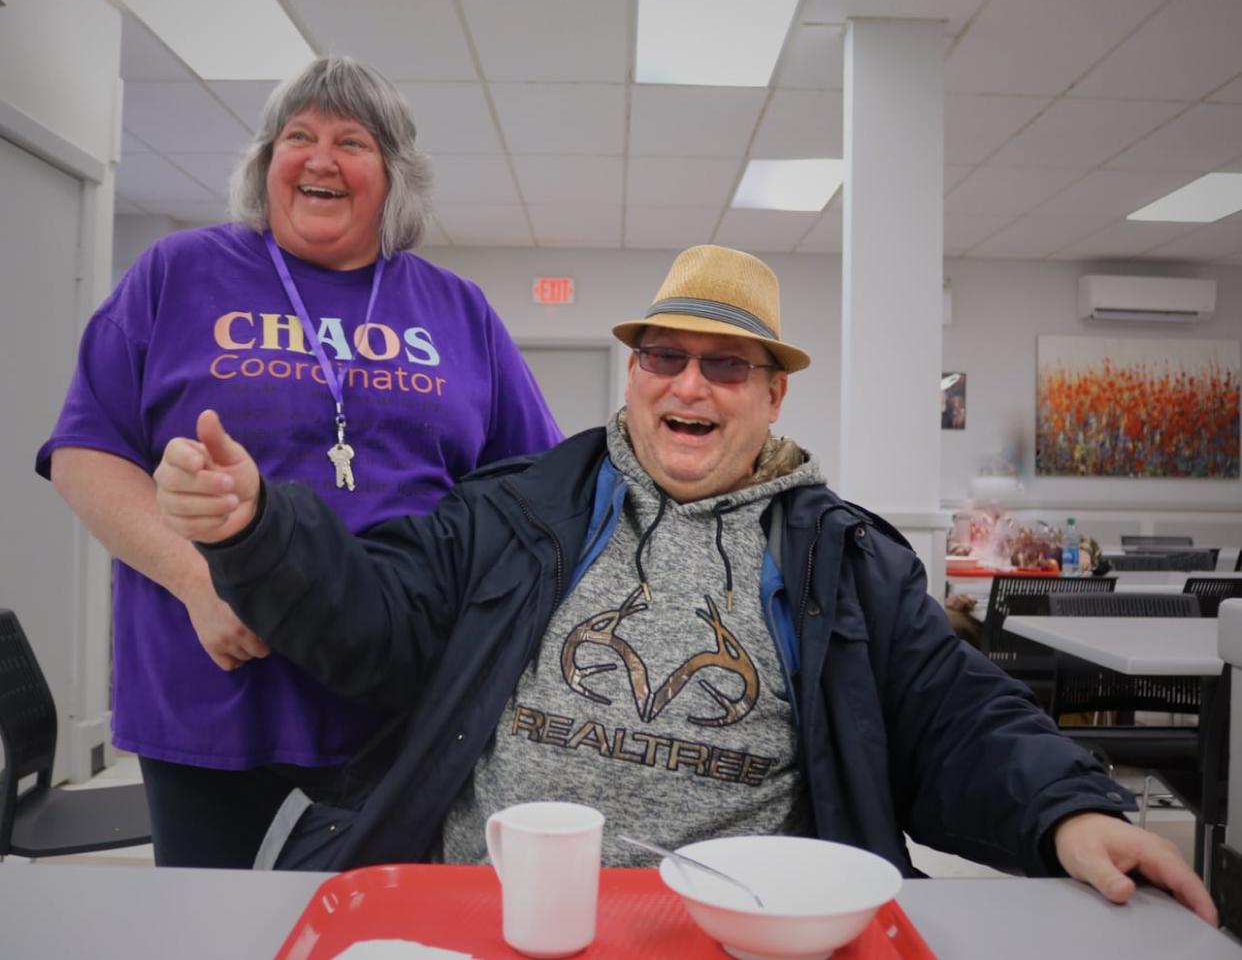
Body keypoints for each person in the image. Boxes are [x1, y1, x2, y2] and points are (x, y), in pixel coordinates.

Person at [155, 245, 1215, 923]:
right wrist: (260, 525)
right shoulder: (517, 508)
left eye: (726, 364)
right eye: (665, 356)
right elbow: (375, 617)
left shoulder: (843, 559)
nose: (689, 384)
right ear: (634, 375)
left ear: (773, 392)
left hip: (739, 926)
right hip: (496, 909)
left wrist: (1069, 808)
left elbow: (952, 713)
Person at [37, 56, 562, 869]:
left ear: (394, 179)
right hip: (212, 699)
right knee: (219, 932)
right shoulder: (176, 275)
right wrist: (194, 577)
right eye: (299, 136)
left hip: (405, 707)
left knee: (381, 935)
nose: (320, 158)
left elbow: (532, 488)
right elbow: (84, 454)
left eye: (352, 141)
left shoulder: (456, 308)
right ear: (266, 162)